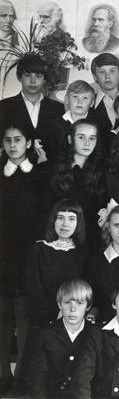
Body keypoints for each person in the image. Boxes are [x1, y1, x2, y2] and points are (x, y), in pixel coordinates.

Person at [0, 122, 42, 396]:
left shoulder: (39, 174)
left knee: (25, 315)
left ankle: (22, 378)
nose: (12, 145)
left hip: (28, 255)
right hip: (2, 255)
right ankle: (3, 374)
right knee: (2, 316)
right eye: (7, 140)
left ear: (28, 143)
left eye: (18, 140)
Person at [25, 199, 88, 375]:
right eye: (60, 218)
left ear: (79, 223)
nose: (65, 224)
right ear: (53, 220)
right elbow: (34, 290)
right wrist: (57, 311)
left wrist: (68, 312)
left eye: (71, 218)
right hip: (42, 317)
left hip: (73, 319)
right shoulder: (37, 250)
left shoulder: (83, 254)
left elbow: (84, 290)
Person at [27, 279, 93, 398]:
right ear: (59, 305)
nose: (72, 309)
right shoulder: (47, 333)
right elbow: (38, 377)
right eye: (67, 302)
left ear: (88, 306)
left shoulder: (95, 333)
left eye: (79, 303)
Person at [47, 119, 106, 250]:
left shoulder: (102, 173)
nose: (87, 143)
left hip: (90, 243)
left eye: (92, 138)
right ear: (70, 139)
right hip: (58, 242)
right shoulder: (53, 171)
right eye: (81, 137)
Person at [0, 53, 65, 163]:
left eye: (38, 76)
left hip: (48, 170)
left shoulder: (57, 108)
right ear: (19, 77)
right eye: (27, 75)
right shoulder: (4, 106)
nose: (33, 81)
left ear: (45, 79)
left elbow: (59, 146)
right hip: (14, 169)